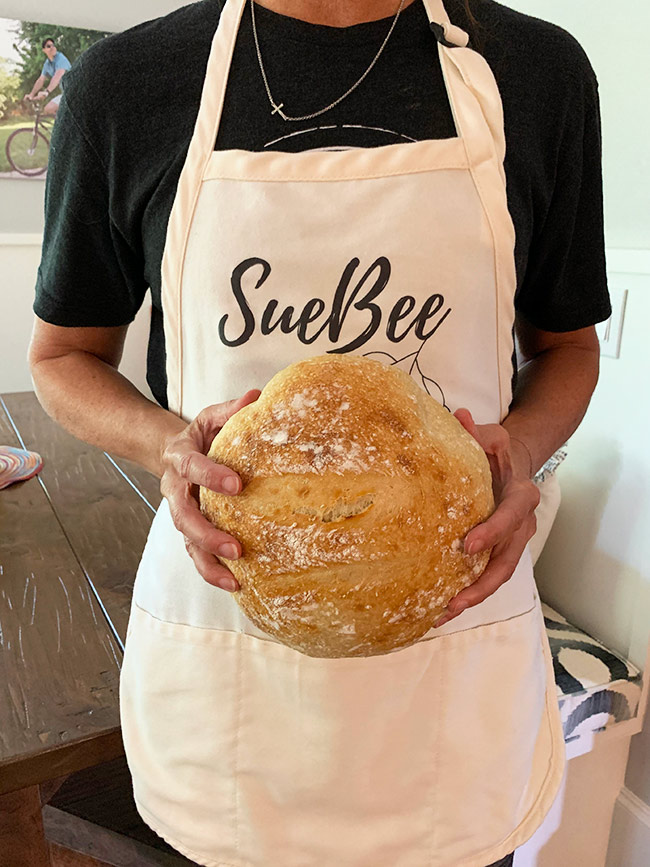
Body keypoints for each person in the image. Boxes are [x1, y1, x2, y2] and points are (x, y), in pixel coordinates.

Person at [28, 0, 611, 864]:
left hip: (455, 655)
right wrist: (168, 445)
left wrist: (516, 451)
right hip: (223, 641)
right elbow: (63, 356)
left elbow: (567, 348)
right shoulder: (126, 85)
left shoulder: (534, 72)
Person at [25, 37, 71, 116]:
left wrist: (46, 92)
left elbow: (58, 76)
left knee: (50, 108)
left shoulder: (60, 58)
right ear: (44, 50)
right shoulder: (47, 64)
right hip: (66, 93)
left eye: (53, 45)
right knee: (48, 109)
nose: (52, 47)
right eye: (48, 46)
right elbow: (41, 79)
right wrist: (31, 94)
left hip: (74, 91)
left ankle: (66, 127)